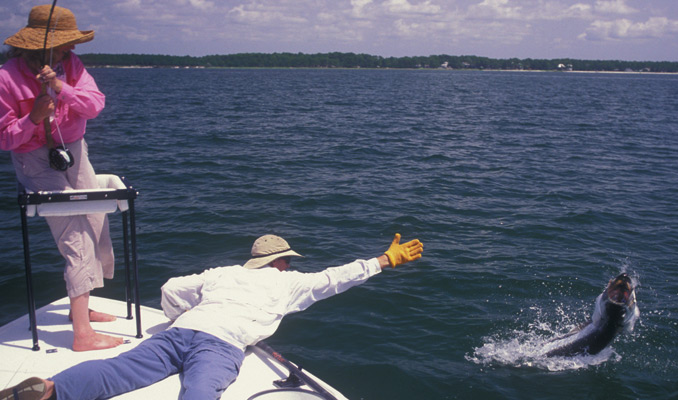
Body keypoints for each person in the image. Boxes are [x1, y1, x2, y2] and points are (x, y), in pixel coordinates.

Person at [0, 233, 424, 400]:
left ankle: (53, 390)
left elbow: (169, 289)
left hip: (181, 331)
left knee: (118, 371)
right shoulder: (288, 284)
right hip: (221, 344)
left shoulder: (221, 273)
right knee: (201, 389)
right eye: (288, 262)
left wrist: (178, 318)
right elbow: (337, 278)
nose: (290, 267)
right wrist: (384, 260)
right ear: (280, 263)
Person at [0, 6, 121, 351]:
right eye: (64, 46)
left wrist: (59, 86)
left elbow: (94, 105)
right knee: (76, 234)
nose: (70, 50)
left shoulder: (72, 67)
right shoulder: (6, 77)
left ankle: (79, 309)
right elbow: (4, 138)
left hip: (73, 149)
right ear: (34, 48)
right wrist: (33, 118)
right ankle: (82, 335)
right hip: (33, 158)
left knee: (96, 219)